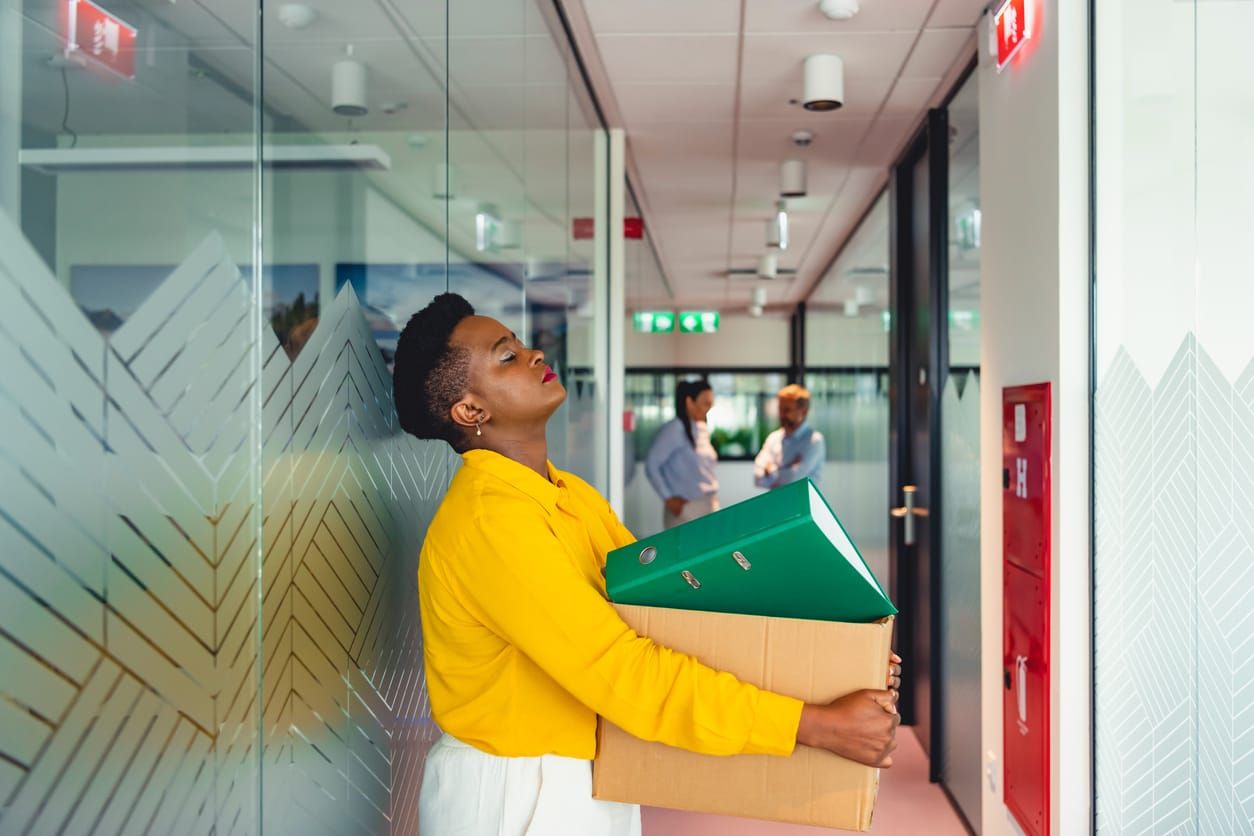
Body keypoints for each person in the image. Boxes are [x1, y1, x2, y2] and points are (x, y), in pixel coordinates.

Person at [392, 294, 901, 836]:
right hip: (517, 794)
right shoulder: (490, 523)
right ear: (470, 411)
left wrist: (831, 663)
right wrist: (815, 724)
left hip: (584, 773)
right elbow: (624, 671)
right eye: (506, 356)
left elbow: (664, 614)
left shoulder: (569, 494)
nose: (534, 353)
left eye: (519, 344)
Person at [644, 379, 719, 529]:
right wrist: (669, 498)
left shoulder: (700, 428)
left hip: (707, 504)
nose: (708, 409)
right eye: (705, 403)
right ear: (689, 402)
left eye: (711, 404)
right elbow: (652, 464)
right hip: (686, 510)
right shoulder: (675, 429)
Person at [754, 383, 826, 490]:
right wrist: (788, 468)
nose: (782, 414)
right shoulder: (773, 438)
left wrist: (771, 470)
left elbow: (793, 480)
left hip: (801, 504)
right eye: (780, 409)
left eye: (787, 410)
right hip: (775, 503)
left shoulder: (814, 441)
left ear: (803, 411)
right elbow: (757, 477)